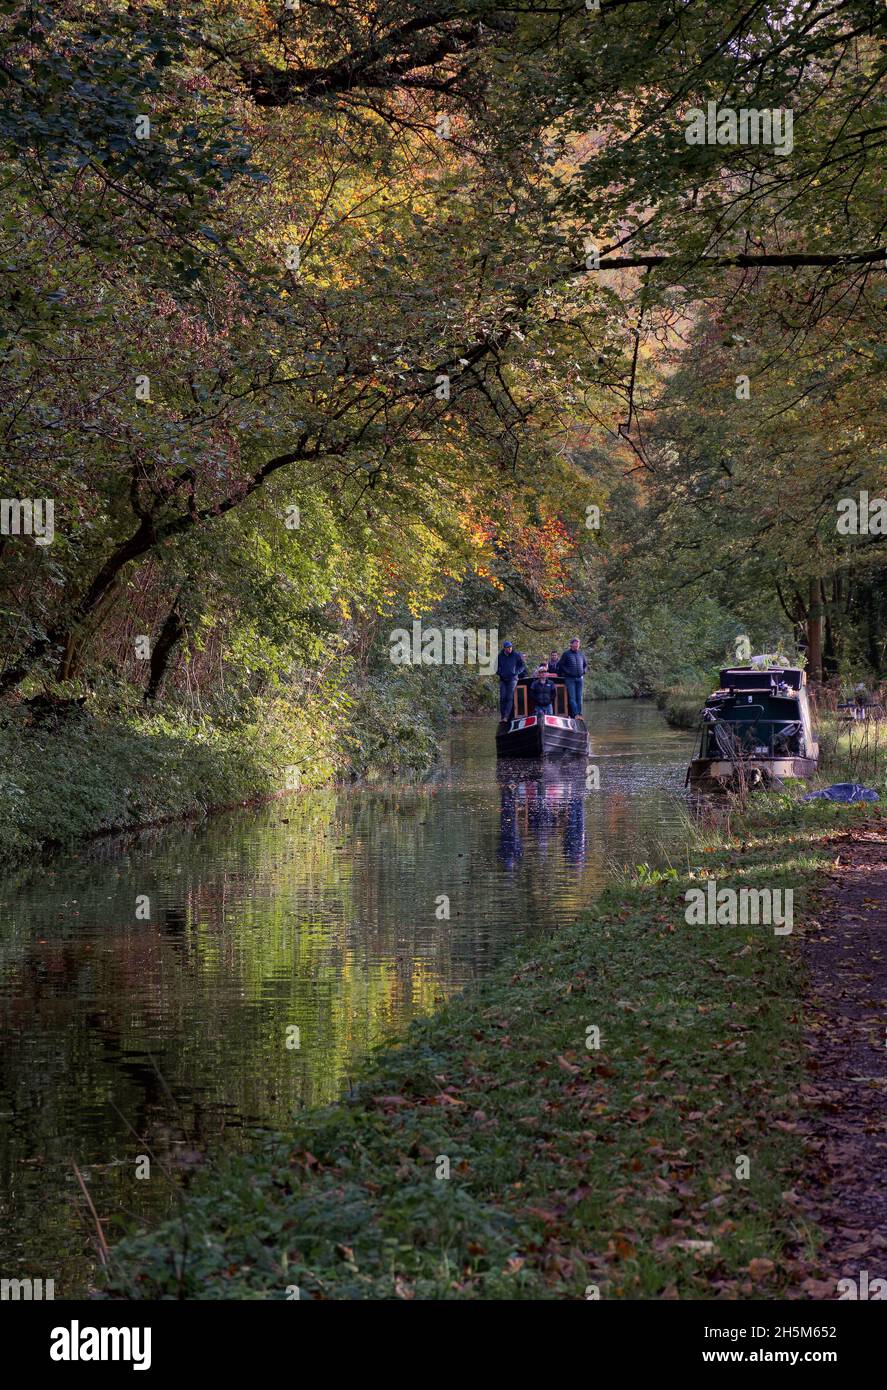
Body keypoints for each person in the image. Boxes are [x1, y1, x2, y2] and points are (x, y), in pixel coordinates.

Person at [557, 636, 588, 718]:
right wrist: (568, 672)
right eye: (575, 645)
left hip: (580, 678)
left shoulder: (581, 654)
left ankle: (579, 714)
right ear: (571, 645)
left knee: (579, 698)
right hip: (570, 679)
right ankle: (576, 714)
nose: (576, 646)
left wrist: (584, 671)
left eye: (577, 645)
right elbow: (560, 665)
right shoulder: (566, 654)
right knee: (572, 698)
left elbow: (585, 665)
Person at [496, 640, 527, 719]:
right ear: (504, 648)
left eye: (511, 647)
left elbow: (522, 665)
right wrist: (500, 672)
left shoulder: (516, 655)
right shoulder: (500, 656)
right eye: (508, 648)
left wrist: (516, 672)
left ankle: (506, 716)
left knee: (509, 697)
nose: (510, 649)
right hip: (503, 679)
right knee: (503, 697)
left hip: (513, 679)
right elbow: (495, 667)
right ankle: (503, 716)